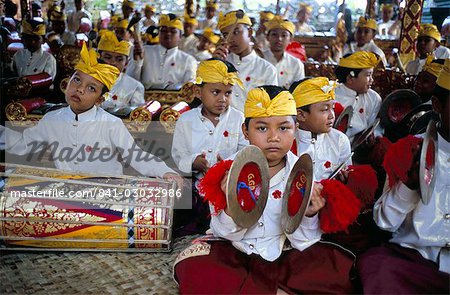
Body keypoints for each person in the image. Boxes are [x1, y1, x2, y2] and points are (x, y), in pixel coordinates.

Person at [174, 85, 355, 293]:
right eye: (262, 128)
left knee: (334, 270)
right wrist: (233, 206)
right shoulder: (227, 172)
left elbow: (305, 240)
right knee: (196, 267)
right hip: (234, 250)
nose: (273, 137)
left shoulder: (304, 173)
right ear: (245, 131)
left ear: (295, 128)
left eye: (283, 128)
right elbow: (224, 232)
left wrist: (309, 214)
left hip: (285, 250)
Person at [2, 43, 183, 187]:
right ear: (67, 83)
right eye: (77, 80)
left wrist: (165, 171)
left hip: (108, 192)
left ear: (99, 100)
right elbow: (22, 145)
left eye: (91, 88)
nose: (79, 89)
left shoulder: (111, 123)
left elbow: (134, 155)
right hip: (67, 191)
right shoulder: (52, 119)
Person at [356, 59, 450, 294]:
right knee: (377, 268)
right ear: (437, 105)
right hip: (414, 257)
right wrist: (409, 185)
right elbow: (384, 222)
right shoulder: (410, 149)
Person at [171, 58, 248, 234]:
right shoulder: (186, 120)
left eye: (228, 93)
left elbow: (245, 151)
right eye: (215, 92)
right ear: (199, 92)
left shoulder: (239, 119)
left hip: (228, 189)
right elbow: (178, 154)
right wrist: (193, 162)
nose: (222, 99)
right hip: (198, 189)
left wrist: (228, 164)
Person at [213, 10, 278, 112]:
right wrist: (213, 66)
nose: (231, 39)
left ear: (250, 32)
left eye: (236, 32)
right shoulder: (220, 64)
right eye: (226, 35)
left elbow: (271, 107)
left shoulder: (267, 69)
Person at [290, 77, 351, 178]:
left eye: (333, 108)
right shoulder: (288, 141)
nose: (332, 115)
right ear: (300, 115)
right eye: (324, 109)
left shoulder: (340, 140)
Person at [127, 13, 197, 90]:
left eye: (173, 31)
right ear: (159, 34)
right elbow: (130, 82)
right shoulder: (143, 51)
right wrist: (137, 63)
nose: (168, 33)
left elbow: (188, 90)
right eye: (163, 30)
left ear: (180, 36)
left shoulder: (189, 60)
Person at [334, 51, 382, 142]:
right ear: (350, 78)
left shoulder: (374, 98)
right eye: (368, 75)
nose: (372, 80)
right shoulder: (331, 95)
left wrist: (374, 136)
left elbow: (374, 127)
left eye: (372, 75)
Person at [97, 30, 145, 110]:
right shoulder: (87, 81)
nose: (113, 62)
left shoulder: (135, 87)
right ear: (98, 58)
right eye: (108, 57)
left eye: (119, 59)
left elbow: (138, 116)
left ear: (126, 63)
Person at [263, 16, 305, 89]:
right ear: (267, 37)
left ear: (290, 40)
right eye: (274, 34)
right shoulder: (258, 59)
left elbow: (299, 91)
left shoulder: (296, 64)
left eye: (284, 35)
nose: (279, 39)